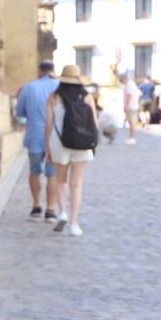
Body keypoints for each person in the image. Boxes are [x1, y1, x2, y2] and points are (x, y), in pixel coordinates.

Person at [44, 65, 97, 237]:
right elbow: (94, 124)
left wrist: (47, 147)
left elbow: (48, 124)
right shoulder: (87, 97)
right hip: (82, 143)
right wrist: (93, 144)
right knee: (77, 184)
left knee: (61, 181)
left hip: (59, 142)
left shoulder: (54, 97)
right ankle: (74, 224)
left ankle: (62, 213)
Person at [14, 60, 61, 223]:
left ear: (39, 71)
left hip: (35, 134)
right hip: (55, 136)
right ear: (53, 70)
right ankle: (50, 210)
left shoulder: (29, 87)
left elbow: (20, 112)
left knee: (35, 171)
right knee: (52, 174)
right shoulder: (60, 87)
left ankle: (36, 207)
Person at [120, 73, 141, 144]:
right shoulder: (132, 84)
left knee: (132, 122)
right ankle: (132, 137)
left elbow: (129, 95)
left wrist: (126, 106)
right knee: (131, 122)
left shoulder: (129, 85)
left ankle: (132, 137)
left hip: (131, 106)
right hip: (133, 105)